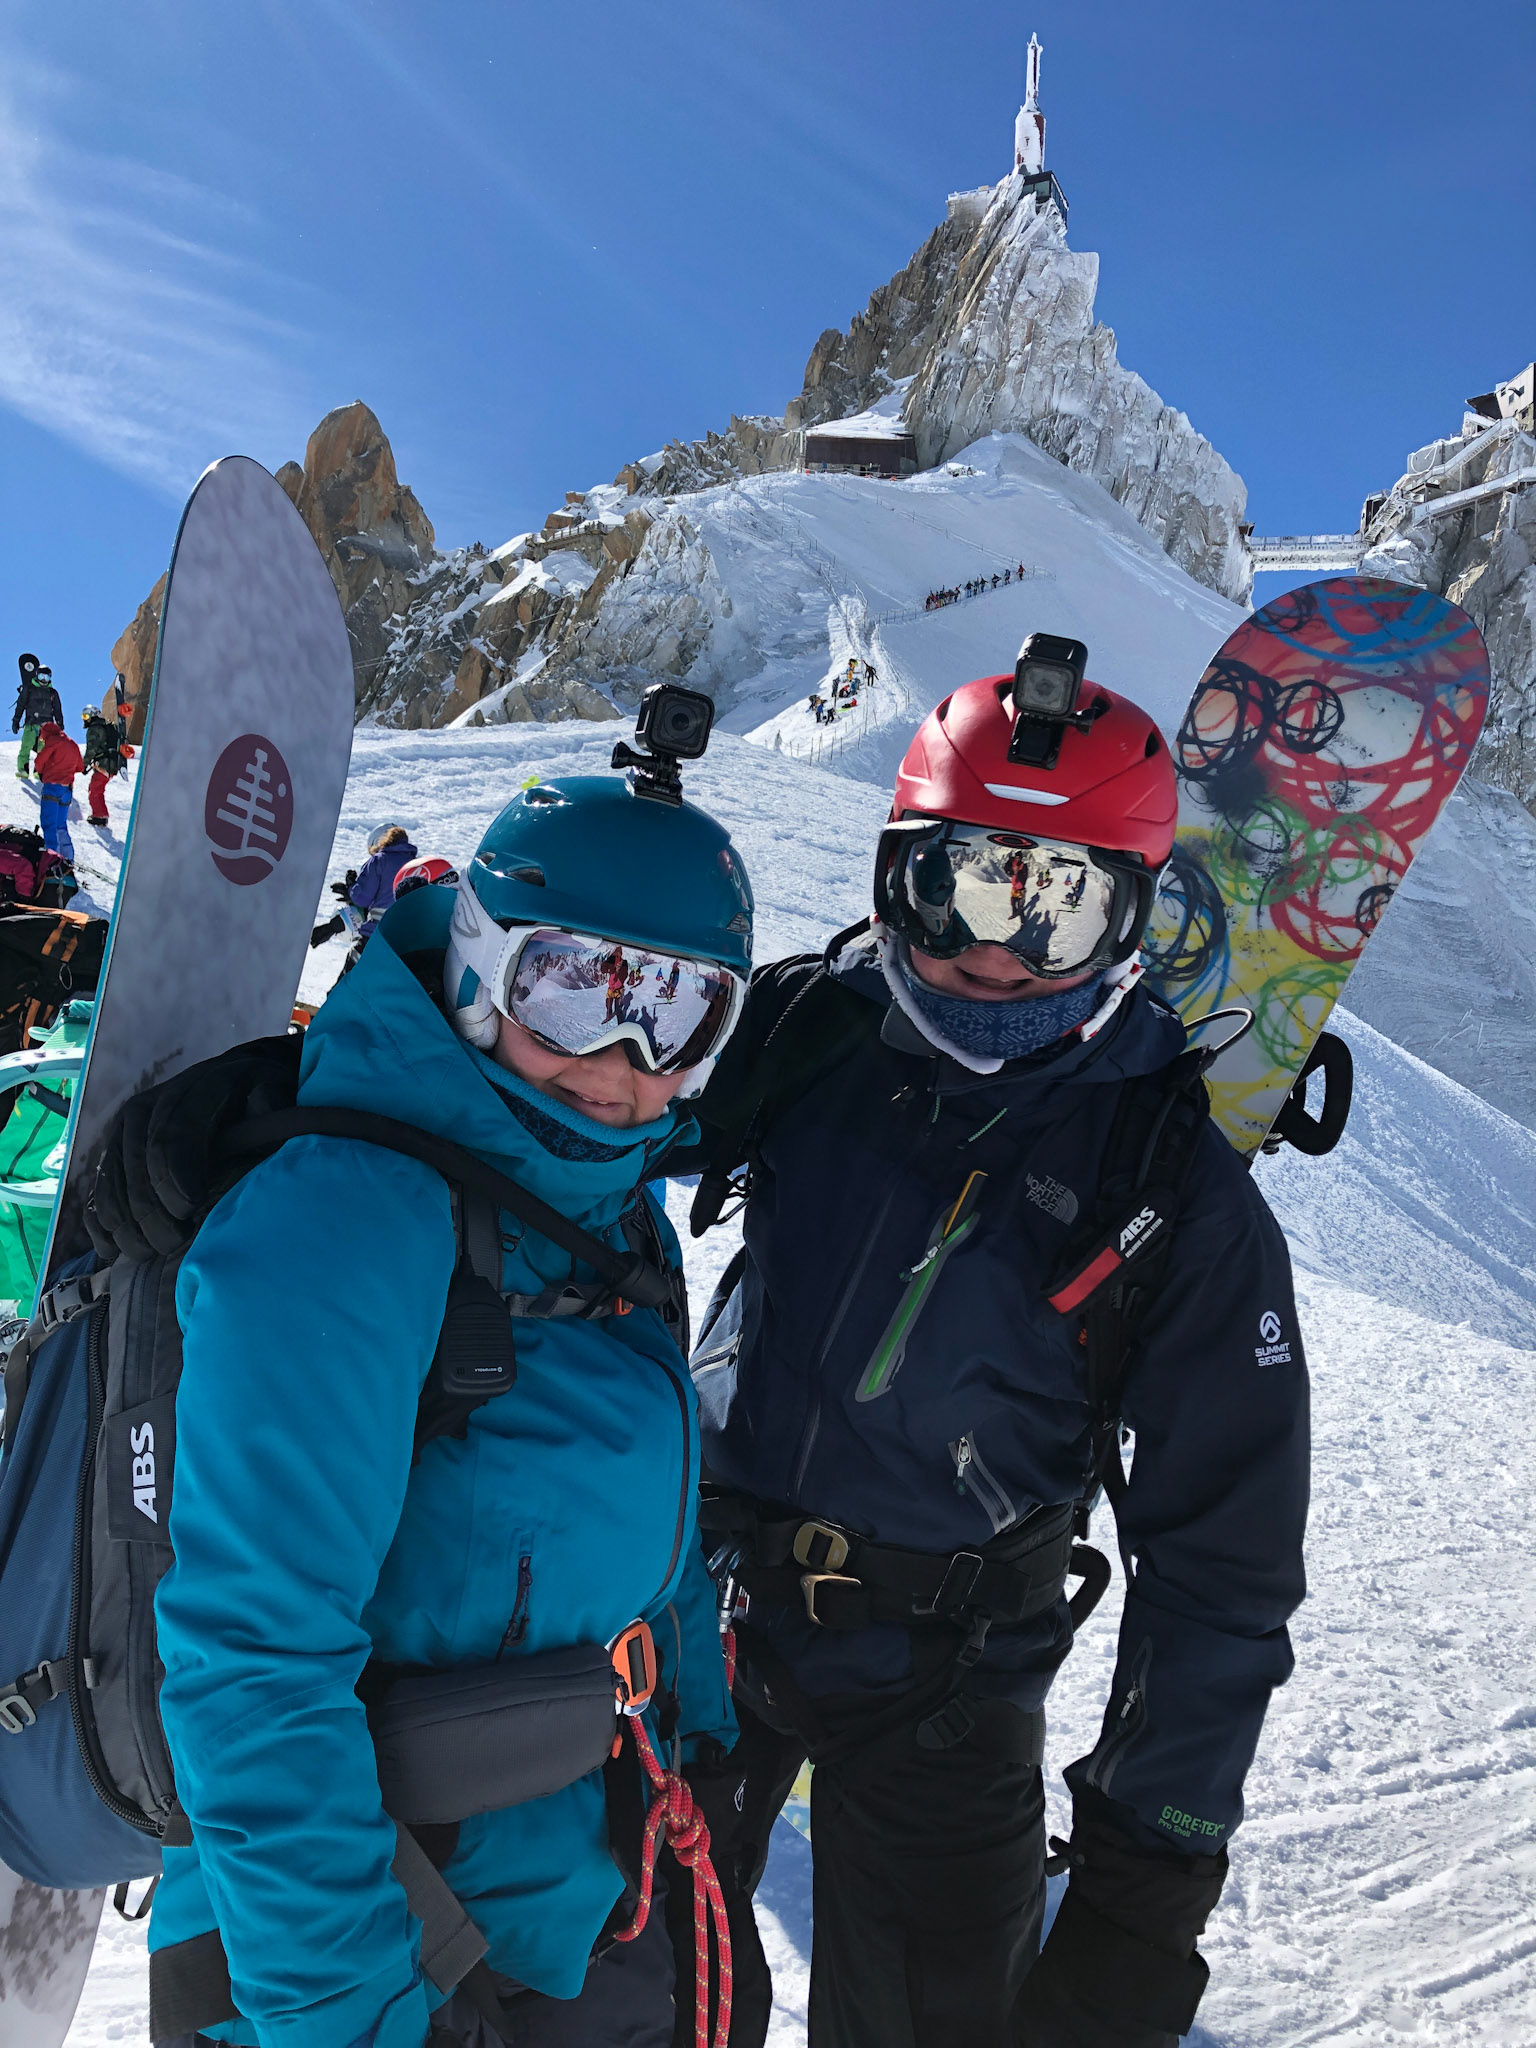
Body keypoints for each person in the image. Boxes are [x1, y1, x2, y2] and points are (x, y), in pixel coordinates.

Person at [672, 666, 1309, 2048]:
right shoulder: (810, 1029)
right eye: (957, 887)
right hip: (698, 1611)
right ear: (895, 877)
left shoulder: (1172, 1186)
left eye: (1059, 906)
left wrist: (1144, 1891)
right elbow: (582, 1099)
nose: (998, 953)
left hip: (949, 1676)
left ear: (1131, 919)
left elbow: (1222, 1566)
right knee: (641, 2003)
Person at [145, 767, 755, 2048]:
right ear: (479, 969)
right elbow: (251, 1661)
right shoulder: (342, 1217)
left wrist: (705, 1744)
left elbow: (656, 1545)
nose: (622, 1059)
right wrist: (357, 2017)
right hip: (349, 1955)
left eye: (678, 1011)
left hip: (584, 1906)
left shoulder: (612, 1212)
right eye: (573, 986)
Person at [33, 717, 83, 866]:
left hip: (52, 788)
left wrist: (43, 771)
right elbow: (80, 766)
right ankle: (68, 860)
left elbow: (39, 762)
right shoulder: (72, 743)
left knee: (49, 825)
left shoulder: (53, 742)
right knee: (61, 825)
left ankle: (51, 861)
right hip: (67, 790)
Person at [81, 702, 133, 826]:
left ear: (93, 716)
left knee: (95, 790)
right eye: (83, 717)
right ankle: (101, 814)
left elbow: (91, 749)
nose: (85, 720)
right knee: (97, 789)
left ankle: (100, 816)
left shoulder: (94, 729)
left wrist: (84, 764)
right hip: (112, 763)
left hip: (103, 764)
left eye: (86, 716)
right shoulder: (107, 726)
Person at [13, 655, 62, 781]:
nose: (44, 680)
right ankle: (23, 769)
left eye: (46, 677)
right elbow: (21, 705)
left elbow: (57, 709)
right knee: (26, 745)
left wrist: (60, 724)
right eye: (41, 677)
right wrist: (16, 720)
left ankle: (39, 771)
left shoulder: (52, 693)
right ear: (36, 676)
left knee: (44, 750)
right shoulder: (29, 689)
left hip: (47, 726)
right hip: (31, 723)